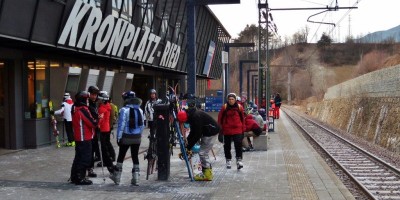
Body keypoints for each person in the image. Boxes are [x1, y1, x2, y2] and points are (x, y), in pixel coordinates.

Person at [177, 95, 220, 181]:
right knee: (202, 152)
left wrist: (188, 147)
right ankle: (205, 171)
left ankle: (208, 174)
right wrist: (187, 144)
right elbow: (193, 132)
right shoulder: (192, 115)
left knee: (202, 153)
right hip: (207, 131)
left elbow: (197, 134)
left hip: (211, 132)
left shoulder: (196, 117)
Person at [110, 91, 144, 186]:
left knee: (121, 155)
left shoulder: (124, 110)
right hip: (137, 137)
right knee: (135, 156)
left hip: (126, 136)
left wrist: (119, 137)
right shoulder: (140, 110)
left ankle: (117, 178)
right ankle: (136, 179)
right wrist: (139, 135)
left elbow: (121, 125)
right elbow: (142, 125)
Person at [69, 91, 97, 185]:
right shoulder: (82, 109)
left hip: (79, 137)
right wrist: (99, 120)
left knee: (78, 157)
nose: (88, 101)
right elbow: (92, 123)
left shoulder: (75, 108)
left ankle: (74, 176)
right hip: (84, 137)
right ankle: (80, 177)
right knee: (85, 158)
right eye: (87, 99)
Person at [218, 93, 245, 169]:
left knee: (238, 145)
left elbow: (242, 119)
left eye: (232, 99)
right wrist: (220, 130)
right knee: (227, 146)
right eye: (229, 99)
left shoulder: (240, 107)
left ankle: (239, 160)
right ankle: (228, 160)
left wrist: (243, 130)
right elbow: (220, 119)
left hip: (237, 129)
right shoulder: (224, 107)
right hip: (227, 130)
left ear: (235, 99)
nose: (231, 101)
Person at [96, 91, 118, 178]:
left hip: (102, 129)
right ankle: (110, 160)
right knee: (106, 145)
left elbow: (100, 120)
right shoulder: (108, 106)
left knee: (103, 148)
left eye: (100, 99)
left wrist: (97, 124)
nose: (98, 100)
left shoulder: (101, 108)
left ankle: (110, 165)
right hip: (107, 128)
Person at [87, 85, 100, 178]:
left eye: (95, 95)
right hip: (89, 130)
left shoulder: (94, 103)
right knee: (89, 151)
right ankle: (89, 169)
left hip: (95, 130)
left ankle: (90, 168)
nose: (94, 96)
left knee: (93, 149)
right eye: (92, 94)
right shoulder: (87, 104)